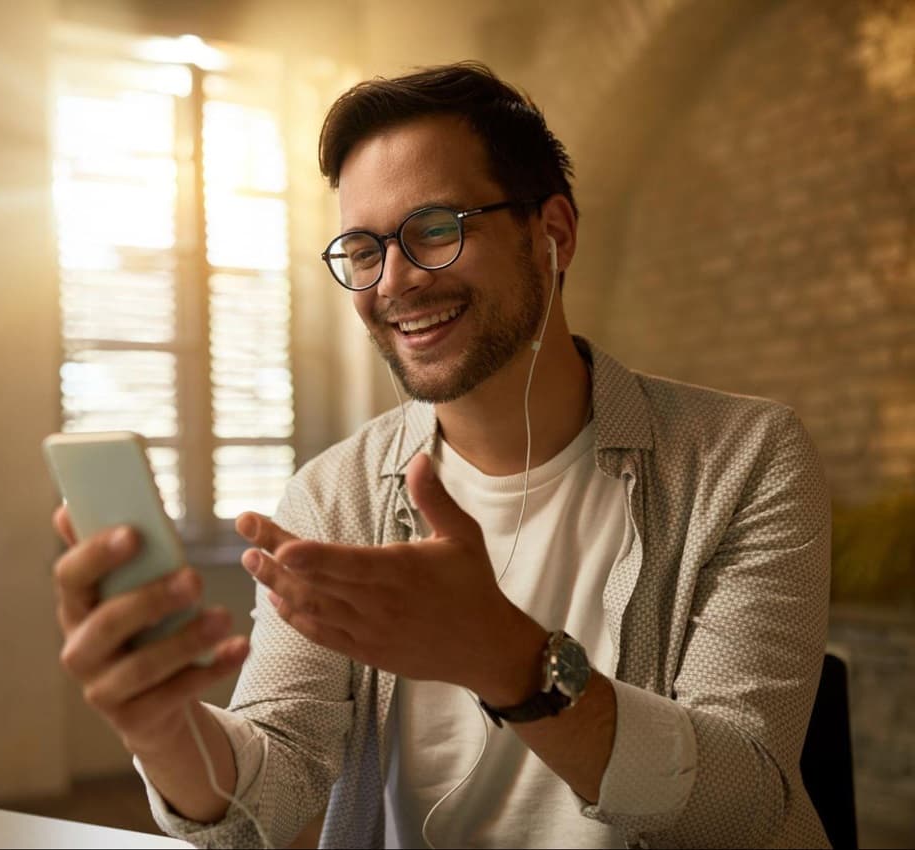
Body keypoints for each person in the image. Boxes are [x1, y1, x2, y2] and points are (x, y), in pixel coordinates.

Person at [50, 62, 831, 848]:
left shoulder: (747, 458)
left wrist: (507, 659)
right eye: (363, 248)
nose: (393, 283)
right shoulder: (335, 497)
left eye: (434, 230)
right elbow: (270, 796)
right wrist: (161, 727)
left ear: (552, 234)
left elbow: (747, 805)